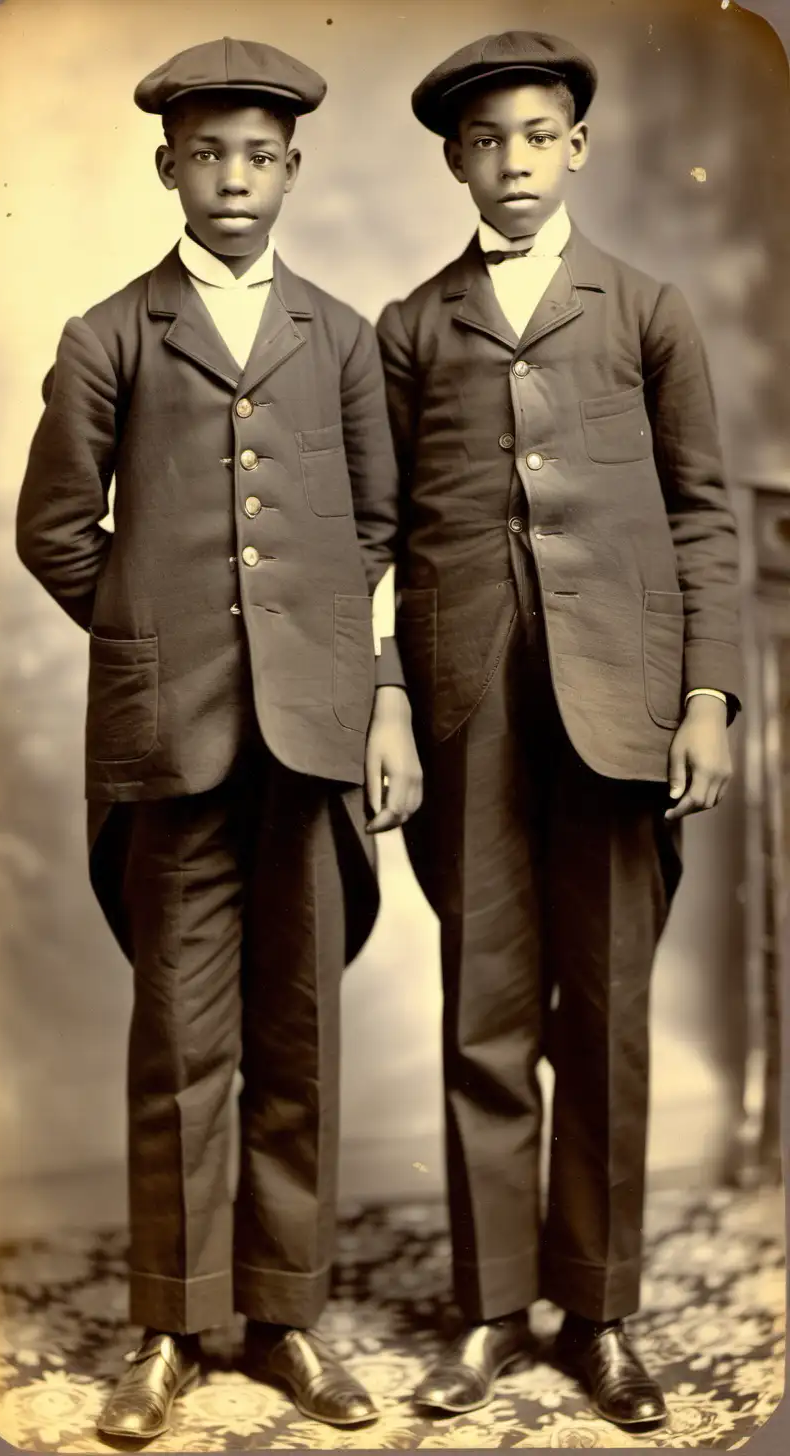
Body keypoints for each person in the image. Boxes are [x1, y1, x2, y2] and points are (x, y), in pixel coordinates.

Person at [16, 35, 421, 1441]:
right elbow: (58, 531)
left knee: (297, 1035)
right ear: (167, 168)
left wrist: (365, 684)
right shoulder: (109, 334)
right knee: (181, 1042)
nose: (234, 178)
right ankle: (172, 1329)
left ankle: (288, 1320)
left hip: (308, 743)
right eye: (208, 155)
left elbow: (379, 529)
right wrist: (154, 640)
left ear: (292, 170)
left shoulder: (344, 338)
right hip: (171, 743)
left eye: (259, 156)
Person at [376, 28, 740, 1431]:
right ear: (456, 160)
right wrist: (396, 703)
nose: (514, 161)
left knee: (609, 1019)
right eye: (487, 141)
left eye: (539, 135)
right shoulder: (414, 327)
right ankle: (490, 1301)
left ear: (576, 147)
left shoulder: (646, 311)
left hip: (622, 714)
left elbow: (705, 514)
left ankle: (597, 1310)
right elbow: (382, 535)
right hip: (471, 712)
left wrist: (705, 696)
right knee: (484, 1010)